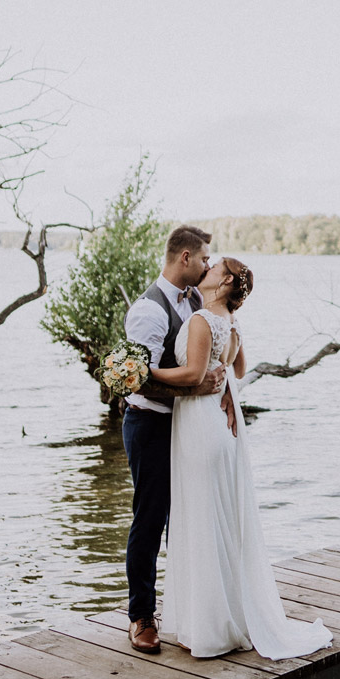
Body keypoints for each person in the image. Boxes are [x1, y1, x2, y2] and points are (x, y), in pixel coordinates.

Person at [151, 256, 333, 659]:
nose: (209, 266)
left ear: (226, 280)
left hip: (200, 425)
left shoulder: (202, 320)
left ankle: (210, 627)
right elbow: (240, 368)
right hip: (221, 427)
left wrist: (144, 373)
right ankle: (221, 616)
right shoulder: (231, 322)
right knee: (218, 520)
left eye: (216, 266)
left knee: (201, 518)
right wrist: (228, 395)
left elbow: (194, 375)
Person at [121, 225, 235, 654]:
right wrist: (193, 389)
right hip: (150, 425)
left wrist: (223, 398)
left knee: (189, 519)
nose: (209, 264)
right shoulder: (148, 312)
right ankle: (140, 617)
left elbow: (217, 360)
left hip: (189, 425)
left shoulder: (198, 302)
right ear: (184, 257)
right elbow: (138, 381)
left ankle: (189, 610)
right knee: (150, 519)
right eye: (204, 258)